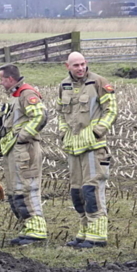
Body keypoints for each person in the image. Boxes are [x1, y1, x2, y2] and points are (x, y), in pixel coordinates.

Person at [58, 51, 117, 249]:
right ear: (68, 66)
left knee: (92, 190)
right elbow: (60, 114)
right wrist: (63, 133)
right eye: (76, 65)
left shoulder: (99, 82)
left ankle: (98, 234)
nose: (81, 68)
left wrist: (97, 132)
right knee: (77, 192)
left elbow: (111, 110)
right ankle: (84, 231)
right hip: (73, 149)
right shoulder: (63, 86)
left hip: (94, 148)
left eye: (83, 64)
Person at [0, 64, 48, 246]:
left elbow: (40, 115)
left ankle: (37, 231)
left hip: (25, 151)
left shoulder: (26, 94)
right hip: (16, 151)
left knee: (27, 189)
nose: (0, 83)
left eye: (2, 79)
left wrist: (22, 137)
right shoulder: (16, 96)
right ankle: (29, 227)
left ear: (10, 79)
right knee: (16, 191)